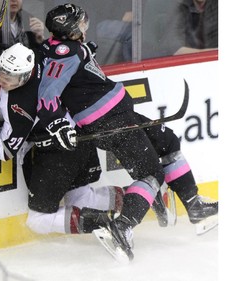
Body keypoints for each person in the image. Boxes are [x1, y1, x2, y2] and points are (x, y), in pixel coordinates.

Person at [37, 3, 217, 262]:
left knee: (167, 140)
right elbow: (47, 94)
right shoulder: (67, 53)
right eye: (81, 24)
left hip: (120, 116)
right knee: (150, 173)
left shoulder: (68, 48)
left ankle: (194, 204)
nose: (85, 26)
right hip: (109, 121)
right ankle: (122, 227)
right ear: (71, 30)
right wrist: (56, 123)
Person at [0, 42, 124, 235]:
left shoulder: (18, 105)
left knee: (38, 221)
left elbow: (5, 152)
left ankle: (104, 224)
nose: (3, 79)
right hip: (81, 136)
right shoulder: (39, 55)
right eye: (2, 72)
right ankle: (134, 200)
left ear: (25, 76)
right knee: (81, 198)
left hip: (58, 150)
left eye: (11, 77)